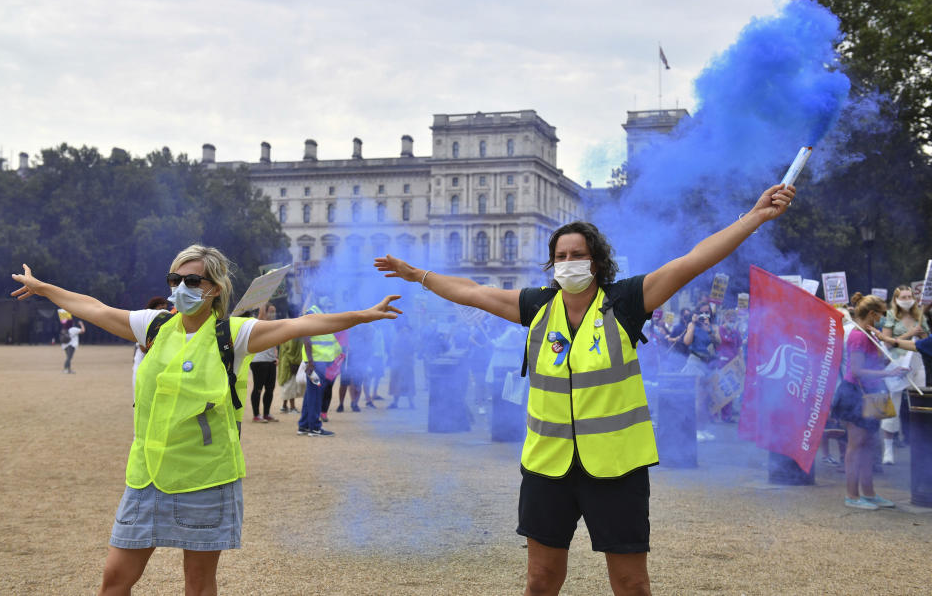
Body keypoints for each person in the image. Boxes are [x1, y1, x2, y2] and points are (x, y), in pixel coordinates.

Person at [376, 183, 795, 596]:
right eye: (560, 256)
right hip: (547, 467)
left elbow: (693, 260)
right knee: (540, 581)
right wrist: (418, 275)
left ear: (596, 262)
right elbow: (473, 292)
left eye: (577, 255)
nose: (568, 262)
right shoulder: (538, 306)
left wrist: (754, 216)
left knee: (632, 585)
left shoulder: (626, 301)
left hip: (616, 468)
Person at [10, 244, 400, 595]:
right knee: (115, 579)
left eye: (191, 280)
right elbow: (95, 308)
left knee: (197, 586)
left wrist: (363, 316)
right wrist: (44, 288)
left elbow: (296, 326)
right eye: (174, 279)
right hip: (147, 475)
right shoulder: (155, 325)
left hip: (206, 478)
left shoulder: (234, 334)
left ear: (213, 287)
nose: (180, 287)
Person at [831, 293, 908, 511]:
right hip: (856, 393)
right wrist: (888, 373)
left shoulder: (868, 334)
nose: (882, 319)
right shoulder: (858, 335)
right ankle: (852, 495)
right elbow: (857, 371)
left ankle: (869, 493)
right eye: (881, 315)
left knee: (869, 445)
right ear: (872, 314)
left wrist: (894, 365)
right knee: (856, 446)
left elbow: (873, 363)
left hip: (870, 393)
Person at [879, 284, 928, 462]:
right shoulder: (891, 316)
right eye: (904, 297)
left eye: (909, 297)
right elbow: (887, 343)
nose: (907, 300)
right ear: (896, 299)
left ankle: (922, 449)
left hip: (917, 364)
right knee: (893, 405)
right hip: (897, 364)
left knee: (920, 405)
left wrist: (921, 334)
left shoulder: (919, 316)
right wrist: (910, 333)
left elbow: (927, 342)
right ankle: (888, 451)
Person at [298, 296, 344, 435]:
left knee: (311, 393)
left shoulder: (320, 313)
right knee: (316, 394)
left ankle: (305, 425)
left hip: (319, 361)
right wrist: (311, 362)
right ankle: (315, 427)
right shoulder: (313, 312)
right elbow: (306, 337)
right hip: (316, 362)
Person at [681, 301, 720, 441]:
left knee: (705, 399)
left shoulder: (712, 327)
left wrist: (709, 328)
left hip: (708, 365)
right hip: (695, 363)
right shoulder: (692, 325)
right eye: (702, 312)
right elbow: (686, 342)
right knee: (697, 399)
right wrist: (692, 324)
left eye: (707, 312)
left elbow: (718, 342)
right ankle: (695, 430)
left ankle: (702, 428)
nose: (705, 314)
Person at [249, 304, 279, 423]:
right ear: (265, 312)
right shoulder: (260, 324)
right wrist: (263, 300)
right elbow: (261, 315)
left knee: (270, 389)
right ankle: (256, 415)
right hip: (259, 361)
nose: (273, 314)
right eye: (271, 311)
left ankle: (266, 414)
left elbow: (275, 343)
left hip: (271, 361)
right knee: (258, 388)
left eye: (274, 311)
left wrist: (276, 356)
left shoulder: (274, 326)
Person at [277, 328, 305, 414]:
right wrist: (297, 361)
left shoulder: (285, 336)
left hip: (285, 363)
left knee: (287, 385)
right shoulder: (294, 337)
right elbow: (291, 350)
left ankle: (284, 406)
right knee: (291, 385)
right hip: (290, 364)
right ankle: (292, 407)